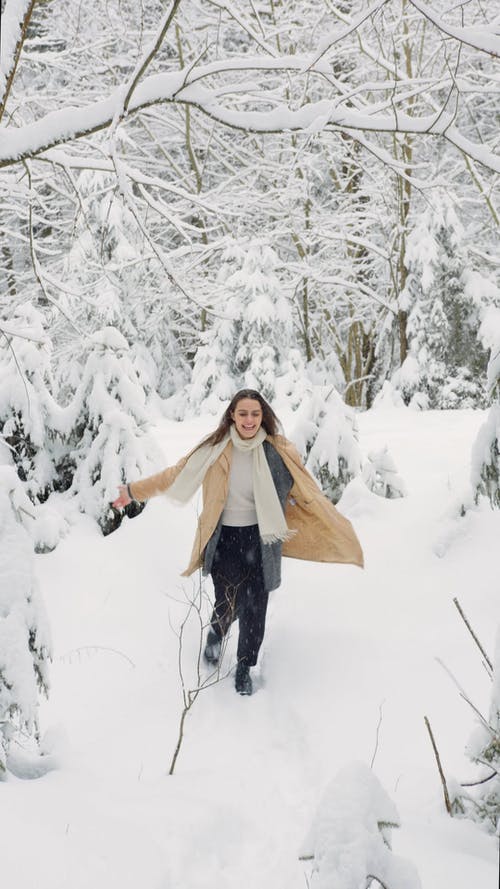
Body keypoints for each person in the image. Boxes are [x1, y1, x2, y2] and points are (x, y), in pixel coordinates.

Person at [112, 389, 364, 695]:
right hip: (225, 539)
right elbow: (173, 475)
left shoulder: (277, 450)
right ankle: (217, 632)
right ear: (232, 415)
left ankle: (245, 665)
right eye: (243, 413)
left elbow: (303, 487)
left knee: (256, 605)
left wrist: (328, 520)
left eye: (255, 414)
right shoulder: (214, 449)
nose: (249, 420)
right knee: (228, 600)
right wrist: (133, 491)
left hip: (262, 539)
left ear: (263, 417)